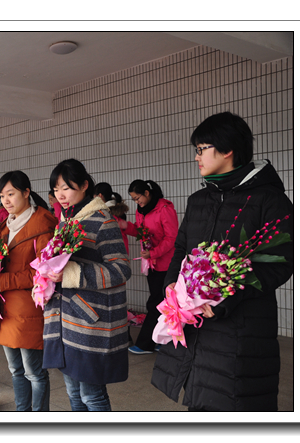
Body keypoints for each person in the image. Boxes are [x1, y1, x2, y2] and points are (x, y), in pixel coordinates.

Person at [151, 112, 293, 412]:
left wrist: (226, 298)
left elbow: (279, 263)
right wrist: (171, 289)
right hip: (193, 325)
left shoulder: (269, 200)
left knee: (235, 407)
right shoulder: (199, 200)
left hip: (240, 328)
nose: (196, 157)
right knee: (200, 403)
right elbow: (181, 249)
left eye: (202, 149)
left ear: (227, 149)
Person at [44, 159, 131, 411]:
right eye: (56, 189)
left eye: (66, 188)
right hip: (65, 319)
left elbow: (121, 269)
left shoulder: (102, 221)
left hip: (88, 322)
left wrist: (70, 274)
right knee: (73, 392)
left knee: (91, 395)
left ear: (84, 185)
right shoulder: (66, 220)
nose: (60, 195)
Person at [0, 171, 57, 411]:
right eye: (3, 195)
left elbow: (44, 271)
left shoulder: (42, 224)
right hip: (4, 306)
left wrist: (5, 281)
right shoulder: (7, 224)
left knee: (34, 371)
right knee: (15, 370)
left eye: (11, 194)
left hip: (27, 307)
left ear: (26, 192)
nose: (6, 200)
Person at [120, 179, 178, 354]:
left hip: (166, 263)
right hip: (152, 264)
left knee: (156, 302)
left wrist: (153, 253)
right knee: (159, 301)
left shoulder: (165, 209)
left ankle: (147, 343)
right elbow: (140, 230)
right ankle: (161, 340)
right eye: (134, 199)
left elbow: (172, 238)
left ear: (147, 193)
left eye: (138, 198)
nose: (137, 202)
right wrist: (125, 226)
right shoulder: (142, 211)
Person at [94, 182, 130, 253]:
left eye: (94, 196)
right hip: (120, 251)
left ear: (100, 196)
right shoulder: (116, 210)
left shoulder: (106, 213)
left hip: (114, 253)